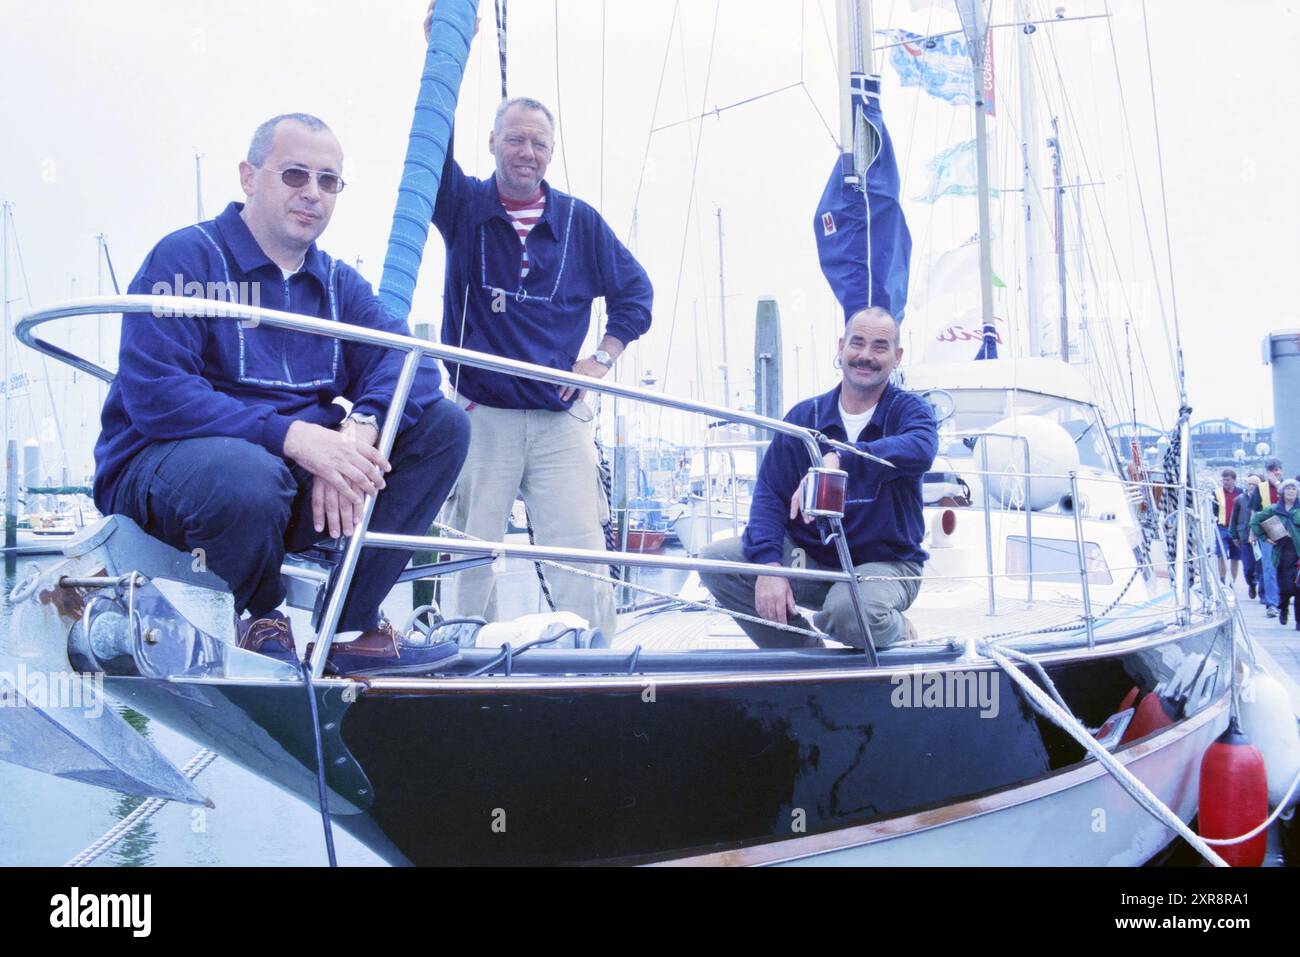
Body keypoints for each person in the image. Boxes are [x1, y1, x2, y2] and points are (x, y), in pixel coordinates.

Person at [93, 113, 470, 670]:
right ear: (248, 177)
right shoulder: (185, 260)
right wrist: (297, 438)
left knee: (442, 427)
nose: (312, 194)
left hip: (279, 484)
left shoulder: (338, 285)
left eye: (328, 181)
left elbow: (412, 366)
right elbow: (159, 395)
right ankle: (260, 618)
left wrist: (356, 432)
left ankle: (348, 627)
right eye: (295, 175)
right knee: (245, 472)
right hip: (165, 476)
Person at [423, 9, 652, 638]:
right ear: (493, 142)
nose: (527, 152)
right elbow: (428, 147)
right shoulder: (466, 207)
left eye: (538, 143)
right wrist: (443, 56)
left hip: (559, 420)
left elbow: (636, 295)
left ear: (551, 153)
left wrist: (599, 360)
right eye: (515, 139)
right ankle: (460, 660)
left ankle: (602, 663)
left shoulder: (580, 223)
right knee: (470, 556)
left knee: (582, 553)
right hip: (483, 414)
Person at [697, 308, 937, 650]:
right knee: (716, 561)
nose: (865, 356)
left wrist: (839, 458)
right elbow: (770, 496)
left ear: (897, 357)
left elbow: (920, 449)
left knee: (851, 615)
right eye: (857, 343)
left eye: (880, 347)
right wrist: (769, 567)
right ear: (841, 347)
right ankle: (801, 652)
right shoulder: (805, 416)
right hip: (813, 558)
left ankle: (898, 631)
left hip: (886, 563)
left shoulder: (908, 411)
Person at [1251, 478, 1300, 629]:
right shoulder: (1273, 509)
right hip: (1282, 554)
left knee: (1299, 589)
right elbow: (1255, 522)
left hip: (1298, 553)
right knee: (1286, 588)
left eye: (1294, 488)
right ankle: (1283, 607)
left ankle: (1299, 621)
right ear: (1282, 491)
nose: (1291, 491)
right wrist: (1265, 537)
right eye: (1288, 488)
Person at [1256, 458, 1285, 616]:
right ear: (1268, 472)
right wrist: (1252, 533)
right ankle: (1272, 604)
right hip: (1269, 526)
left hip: (1288, 527)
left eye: (1278, 469)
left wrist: (1278, 485)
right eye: (1273, 470)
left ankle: (1284, 600)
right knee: (1270, 567)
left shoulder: (1289, 486)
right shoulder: (1260, 488)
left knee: (1288, 567)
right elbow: (1254, 511)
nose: (1277, 472)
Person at [1231, 473, 1262, 599]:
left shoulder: (1263, 499)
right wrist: (1234, 535)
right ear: (1246, 485)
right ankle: (1251, 584)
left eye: (1255, 484)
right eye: (1250, 484)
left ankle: (1263, 590)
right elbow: (1234, 519)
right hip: (1244, 537)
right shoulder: (1239, 500)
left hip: (1261, 537)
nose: (1252, 486)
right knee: (1248, 567)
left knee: (1261, 566)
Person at [1211, 468, 1241, 585]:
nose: (1225, 482)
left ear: (1234, 480)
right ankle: (1222, 579)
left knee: (1235, 557)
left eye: (1227, 480)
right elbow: (1214, 510)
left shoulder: (1240, 492)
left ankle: (1232, 582)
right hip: (1222, 527)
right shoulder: (1217, 493)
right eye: (1224, 480)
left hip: (1236, 529)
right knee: (1221, 554)